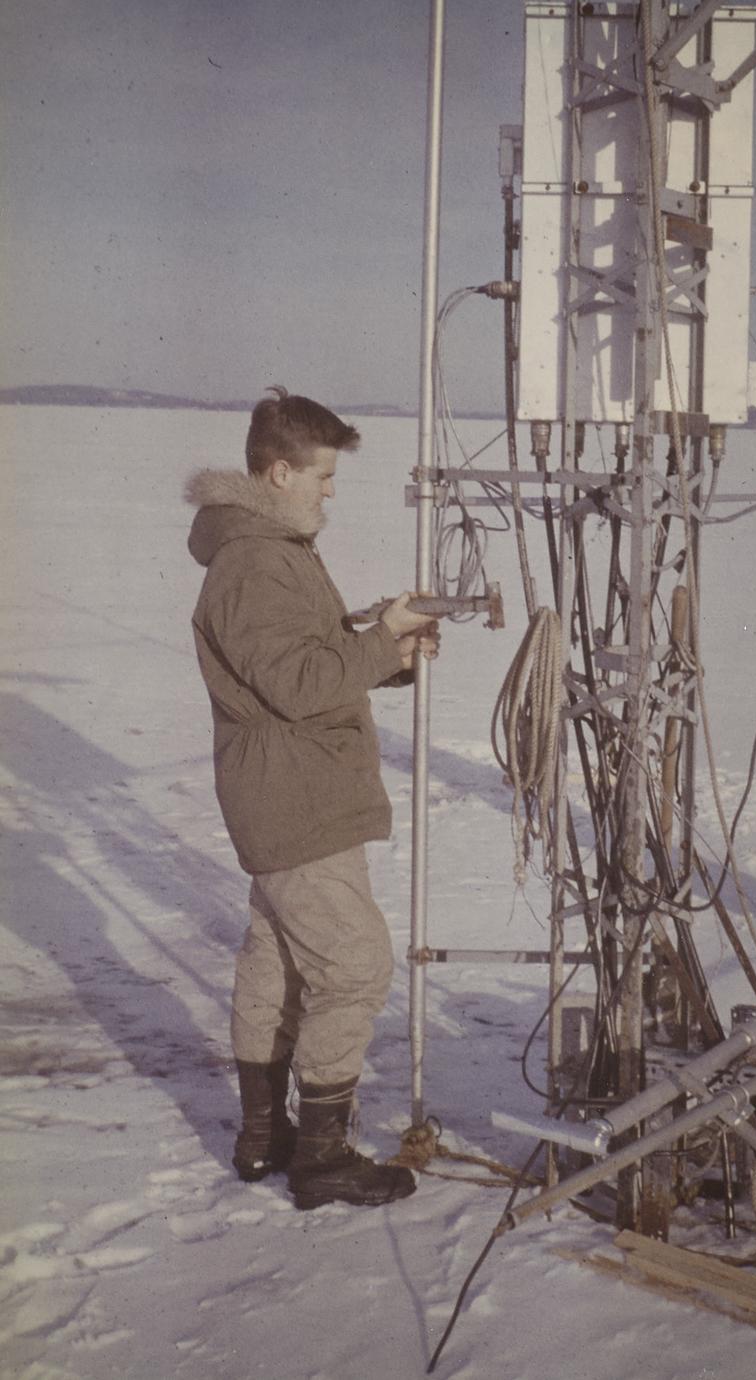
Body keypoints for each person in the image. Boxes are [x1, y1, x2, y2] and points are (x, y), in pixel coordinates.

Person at [185, 386, 439, 1209]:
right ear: (280, 472)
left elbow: (303, 661)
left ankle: (266, 1137)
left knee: (280, 963)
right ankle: (322, 1158)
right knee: (355, 965)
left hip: (290, 792)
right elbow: (297, 683)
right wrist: (379, 642)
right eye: (323, 477)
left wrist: (389, 652)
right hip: (295, 801)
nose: (331, 492)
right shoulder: (255, 561)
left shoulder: (270, 549)